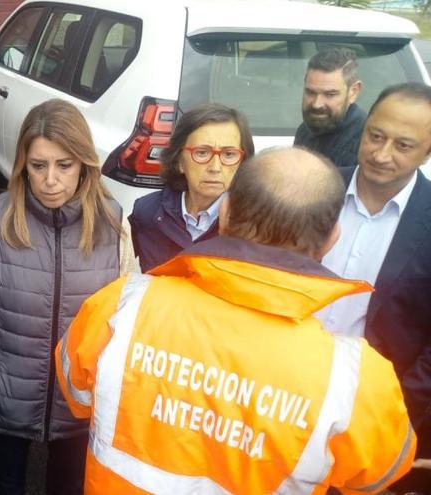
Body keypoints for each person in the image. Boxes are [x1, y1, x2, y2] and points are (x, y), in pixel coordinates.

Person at [57, 147, 416, 494]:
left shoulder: (123, 305)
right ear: (332, 238)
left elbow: (77, 392)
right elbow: (376, 475)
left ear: (225, 212)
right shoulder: (355, 379)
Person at [0, 99, 135, 495]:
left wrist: (99, 387)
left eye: (64, 165)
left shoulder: (114, 225)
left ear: (84, 163)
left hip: (79, 405)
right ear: (23, 165)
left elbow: (127, 317)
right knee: (6, 486)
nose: (51, 179)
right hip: (6, 399)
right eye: (38, 165)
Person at [316, 82, 431, 490]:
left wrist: (399, 408)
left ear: (428, 150)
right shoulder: (316, 191)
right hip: (287, 390)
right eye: (376, 136)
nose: (382, 155)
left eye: (404, 145)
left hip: (372, 411)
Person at [129, 103, 254, 272]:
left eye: (229, 154)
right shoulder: (146, 212)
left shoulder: (253, 225)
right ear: (179, 161)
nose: (215, 167)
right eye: (201, 153)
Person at [294, 47, 366, 168]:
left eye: (330, 94)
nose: (317, 104)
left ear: (353, 92)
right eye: (310, 92)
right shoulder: (305, 130)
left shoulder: (366, 144)